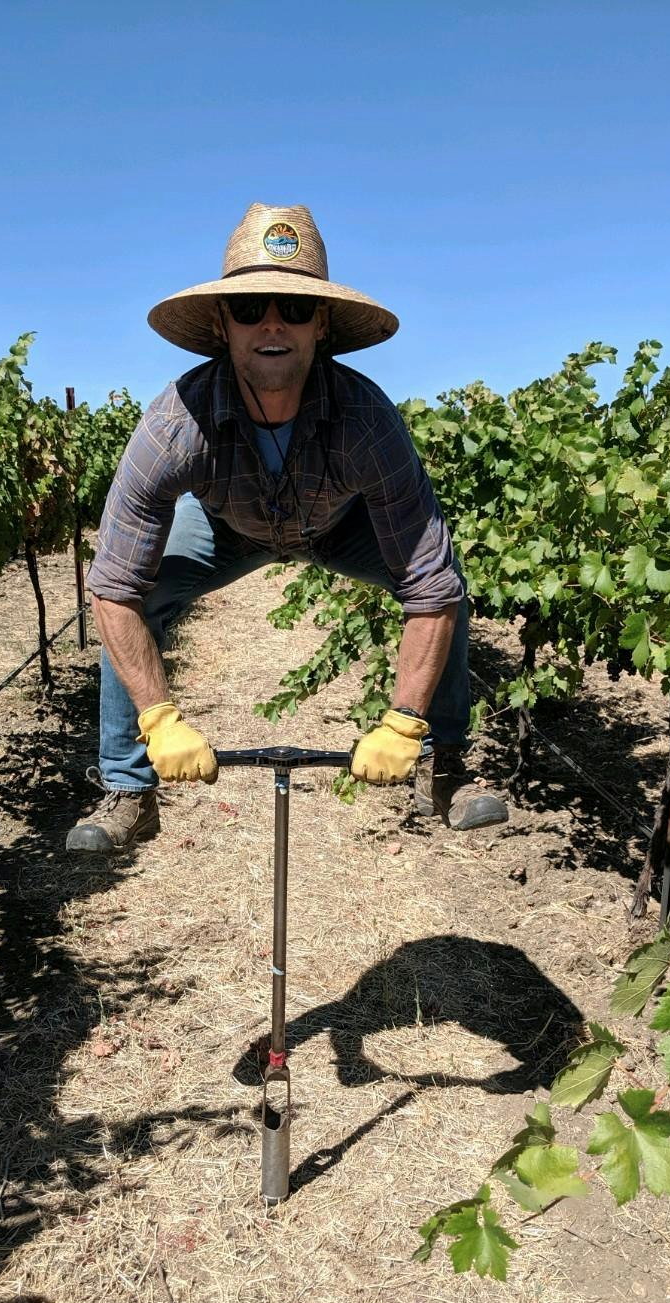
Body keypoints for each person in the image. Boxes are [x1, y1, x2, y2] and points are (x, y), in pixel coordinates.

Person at [66, 202, 508, 854]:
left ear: (320, 323)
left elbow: (429, 584)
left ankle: (445, 768)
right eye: (250, 308)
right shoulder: (173, 425)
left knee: (446, 583)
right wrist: (158, 717)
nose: (272, 324)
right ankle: (129, 788)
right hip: (225, 528)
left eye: (295, 308)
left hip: (338, 525)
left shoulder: (367, 421)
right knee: (138, 591)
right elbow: (112, 587)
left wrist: (404, 720)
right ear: (221, 323)